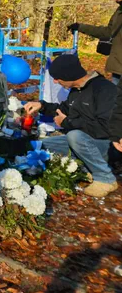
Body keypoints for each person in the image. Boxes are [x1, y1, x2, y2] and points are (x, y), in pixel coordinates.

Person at [24, 54, 118, 197]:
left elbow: (105, 128)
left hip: (107, 144)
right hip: (85, 141)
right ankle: (87, 166)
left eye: (57, 78)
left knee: (73, 135)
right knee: (42, 145)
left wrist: (67, 122)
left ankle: (105, 178)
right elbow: (63, 110)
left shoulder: (104, 89)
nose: (55, 82)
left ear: (69, 75)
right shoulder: (76, 91)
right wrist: (41, 105)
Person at [68, 0, 122, 84]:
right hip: (118, 69)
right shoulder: (119, 11)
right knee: (116, 100)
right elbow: (108, 32)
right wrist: (81, 27)